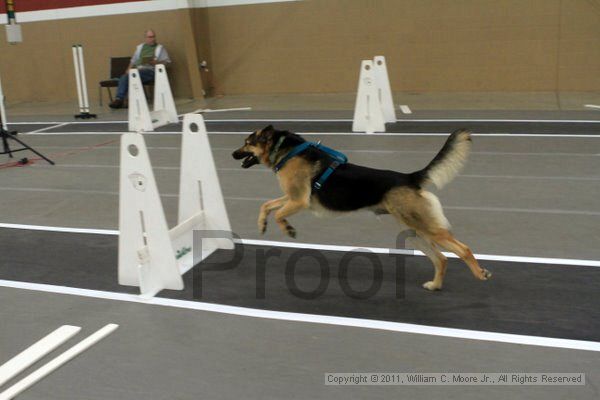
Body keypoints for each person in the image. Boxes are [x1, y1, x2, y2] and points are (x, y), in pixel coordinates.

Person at [109, 29, 171, 109]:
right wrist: (128, 70)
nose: (152, 39)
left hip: (151, 70)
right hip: (138, 69)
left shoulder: (160, 48)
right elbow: (133, 60)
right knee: (124, 77)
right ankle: (119, 99)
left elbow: (167, 62)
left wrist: (156, 62)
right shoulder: (140, 47)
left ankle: (126, 100)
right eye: (150, 37)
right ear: (145, 38)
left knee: (132, 76)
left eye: (153, 36)